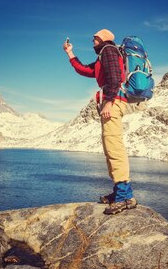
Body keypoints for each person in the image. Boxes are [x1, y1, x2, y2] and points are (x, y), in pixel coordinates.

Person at [63, 29, 136, 215]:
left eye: (94, 39)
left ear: (103, 39)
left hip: (113, 101)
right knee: (110, 147)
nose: (92, 42)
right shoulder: (103, 56)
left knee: (114, 147)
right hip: (111, 100)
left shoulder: (109, 51)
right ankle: (118, 191)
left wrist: (109, 101)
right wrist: (70, 53)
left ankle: (125, 197)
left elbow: (114, 76)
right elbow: (85, 70)